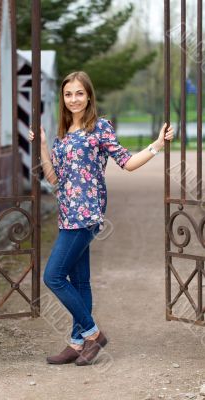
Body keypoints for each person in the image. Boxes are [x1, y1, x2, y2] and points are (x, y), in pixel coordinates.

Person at [28, 71, 174, 366]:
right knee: (80, 282)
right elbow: (53, 178)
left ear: (89, 96)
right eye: (68, 94)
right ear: (63, 99)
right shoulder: (63, 134)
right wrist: (43, 145)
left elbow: (127, 162)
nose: (73, 99)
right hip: (67, 214)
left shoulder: (100, 128)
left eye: (79, 93)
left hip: (87, 215)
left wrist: (157, 144)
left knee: (53, 276)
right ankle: (76, 342)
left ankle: (93, 334)